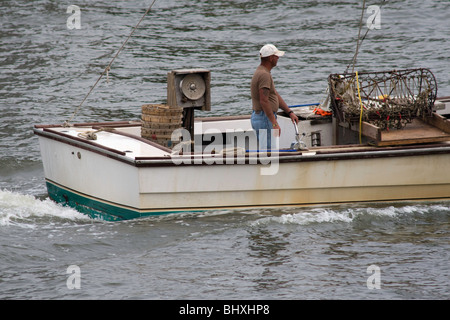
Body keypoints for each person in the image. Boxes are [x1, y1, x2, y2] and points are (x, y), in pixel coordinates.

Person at [251, 44, 299, 150]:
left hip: (263, 117)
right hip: (265, 119)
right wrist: (274, 123)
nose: (278, 58)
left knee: (268, 151)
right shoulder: (264, 75)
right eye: (276, 56)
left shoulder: (263, 72)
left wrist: (289, 112)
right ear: (271, 58)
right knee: (269, 154)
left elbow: (274, 94)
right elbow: (264, 100)